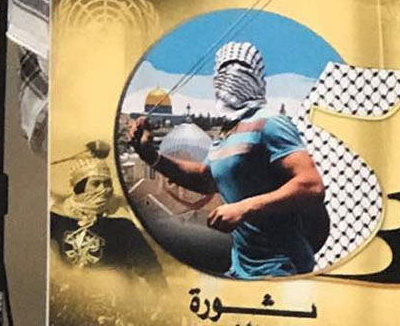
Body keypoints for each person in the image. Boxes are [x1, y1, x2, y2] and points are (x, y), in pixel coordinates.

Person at [129, 41, 326, 279]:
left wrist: (244, 207)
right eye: (223, 70)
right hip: (242, 266)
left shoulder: (270, 122)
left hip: (280, 267)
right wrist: (150, 156)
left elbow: (311, 184)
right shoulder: (228, 131)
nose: (229, 77)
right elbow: (206, 179)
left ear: (256, 77)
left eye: (240, 69)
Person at [50, 155, 164, 283]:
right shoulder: (59, 218)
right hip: (69, 290)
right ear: (79, 187)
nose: (103, 189)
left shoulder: (122, 225)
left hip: (114, 292)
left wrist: (161, 293)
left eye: (107, 183)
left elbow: (150, 268)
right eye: (95, 184)